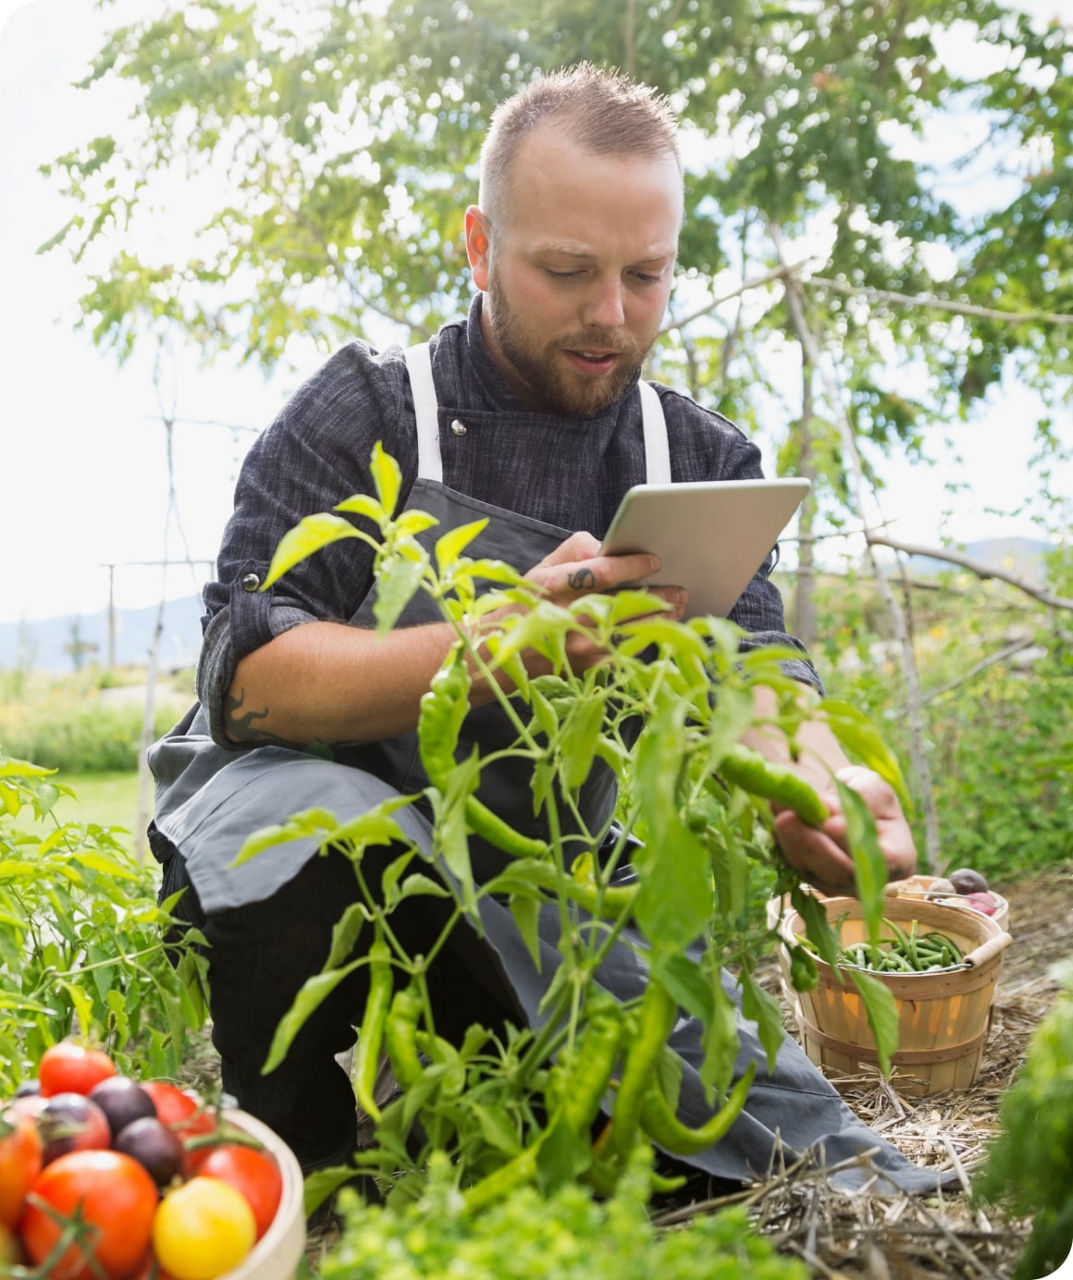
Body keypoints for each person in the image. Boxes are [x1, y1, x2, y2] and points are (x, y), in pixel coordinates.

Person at [148, 63, 931, 1195]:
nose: (609, 313)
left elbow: (757, 669)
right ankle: (301, 1151)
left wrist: (810, 780)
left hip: (527, 899)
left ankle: (484, 1107)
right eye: (565, 270)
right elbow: (248, 679)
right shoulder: (370, 412)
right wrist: (480, 649)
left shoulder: (694, 461)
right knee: (296, 810)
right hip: (322, 895)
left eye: (645, 275)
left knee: (703, 1128)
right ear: (478, 246)